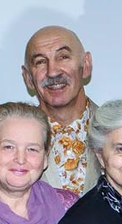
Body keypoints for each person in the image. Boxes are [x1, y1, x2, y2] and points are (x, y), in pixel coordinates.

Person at [22, 24, 101, 194]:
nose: (52, 72)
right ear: (28, 78)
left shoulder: (119, 131)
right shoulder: (10, 142)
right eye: (41, 62)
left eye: (63, 57)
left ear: (86, 65)